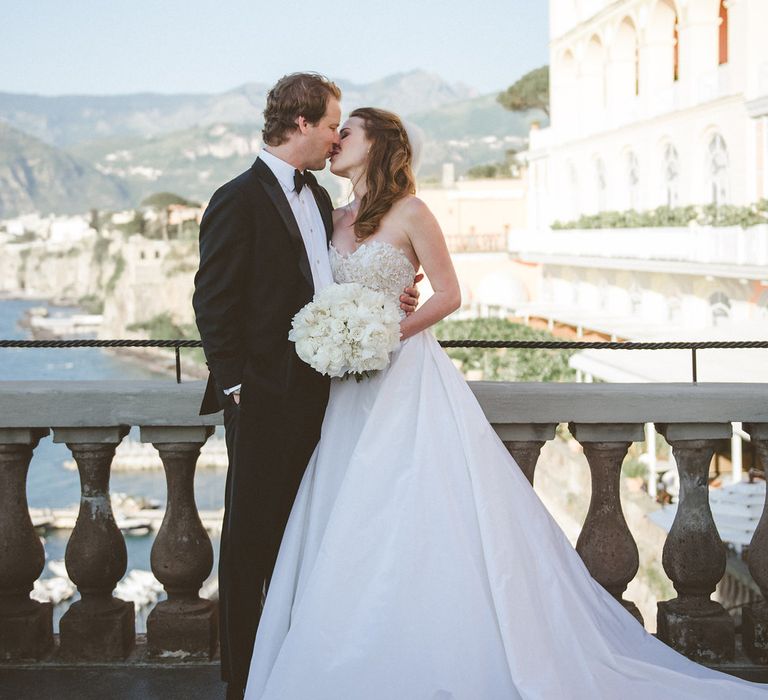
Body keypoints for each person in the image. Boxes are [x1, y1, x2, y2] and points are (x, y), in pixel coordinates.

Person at [243, 108, 767, 699]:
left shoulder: (413, 211)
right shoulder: (330, 216)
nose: (336, 140)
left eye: (349, 132)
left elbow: (449, 294)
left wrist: (389, 330)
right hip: (345, 386)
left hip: (404, 375)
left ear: (379, 144)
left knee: (417, 501)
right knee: (345, 509)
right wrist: (340, 335)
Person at [192, 78, 419, 699]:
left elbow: (333, 277)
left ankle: (296, 665)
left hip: (327, 397)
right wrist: (239, 388)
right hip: (265, 400)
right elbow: (212, 303)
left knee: (310, 542)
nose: (334, 137)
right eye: (330, 125)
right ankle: (243, 679)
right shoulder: (236, 199)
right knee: (251, 544)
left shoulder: (318, 196)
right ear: (299, 123)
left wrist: (388, 301)